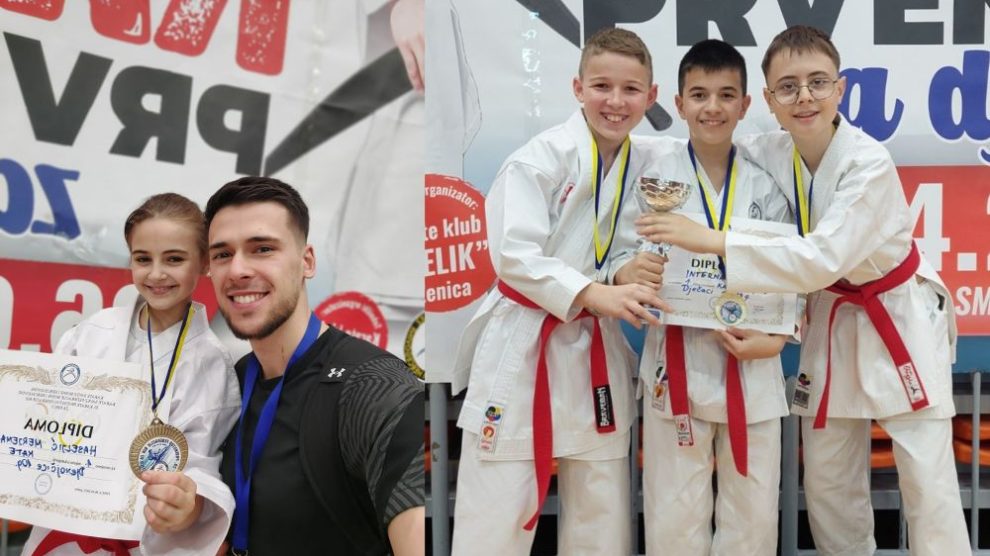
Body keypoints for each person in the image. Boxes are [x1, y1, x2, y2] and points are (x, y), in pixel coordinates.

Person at [638, 25, 969, 555]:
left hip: (895, 314)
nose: (805, 97)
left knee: (928, 486)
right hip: (830, 314)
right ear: (768, 100)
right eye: (788, 87)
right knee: (829, 484)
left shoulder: (867, 163)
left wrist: (714, 240)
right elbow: (702, 140)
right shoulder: (771, 149)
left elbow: (819, 259)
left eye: (818, 82)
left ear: (841, 88)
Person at [450, 28, 670, 555]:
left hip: (595, 347)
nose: (615, 101)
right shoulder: (539, 159)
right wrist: (596, 294)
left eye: (630, 89)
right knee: (494, 521)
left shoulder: (648, 163)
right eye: (601, 86)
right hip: (524, 347)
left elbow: (612, 249)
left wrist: (622, 273)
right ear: (577, 88)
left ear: (651, 96)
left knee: (602, 518)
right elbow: (514, 256)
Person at [613, 39, 796, 555]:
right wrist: (627, 271)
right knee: (673, 518)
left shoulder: (766, 182)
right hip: (676, 363)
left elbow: (791, 266)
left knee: (753, 521)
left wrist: (778, 337)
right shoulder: (653, 176)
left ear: (745, 104)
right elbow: (617, 250)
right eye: (699, 95)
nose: (712, 107)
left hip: (751, 359)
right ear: (678, 103)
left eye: (725, 95)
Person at [205, 176, 424, 555]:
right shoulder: (231, 382)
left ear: (307, 262)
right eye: (222, 254)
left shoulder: (374, 386)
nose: (237, 269)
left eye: (262, 249)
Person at [24, 193, 241, 556]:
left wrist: (184, 504)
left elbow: (199, 468)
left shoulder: (212, 364)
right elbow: (45, 418)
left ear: (204, 261)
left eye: (174, 259)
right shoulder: (92, 332)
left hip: (143, 537)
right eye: (143, 259)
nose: (156, 274)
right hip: (62, 525)